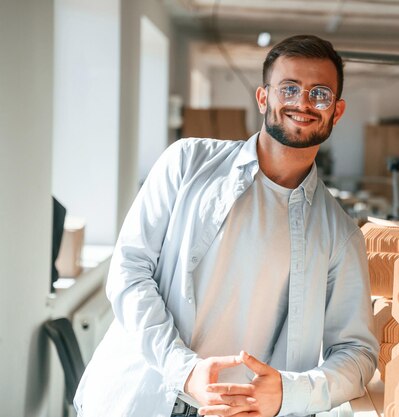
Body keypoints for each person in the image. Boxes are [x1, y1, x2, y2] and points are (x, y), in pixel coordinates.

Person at [74, 34, 378, 417]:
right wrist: (184, 370)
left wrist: (290, 393)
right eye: (289, 88)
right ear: (263, 97)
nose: (303, 102)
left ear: (337, 111)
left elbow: (357, 352)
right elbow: (129, 272)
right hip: (137, 397)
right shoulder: (186, 163)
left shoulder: (341, 234)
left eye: (320, 94)